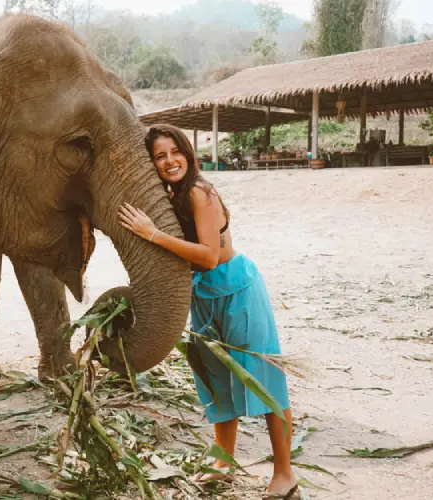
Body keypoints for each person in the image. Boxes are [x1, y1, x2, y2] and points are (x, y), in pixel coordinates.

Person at [118, 123, 298, 499]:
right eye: (159, 157)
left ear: (187, 152)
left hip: (237, 290)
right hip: (202, 295)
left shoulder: (200, 192)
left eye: (174, 152)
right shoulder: (169, 195)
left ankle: (285, 474)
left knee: (264, 379)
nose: (169, 161)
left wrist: (152, 233)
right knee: (214, 380)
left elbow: (210, 255)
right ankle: (223, 463)